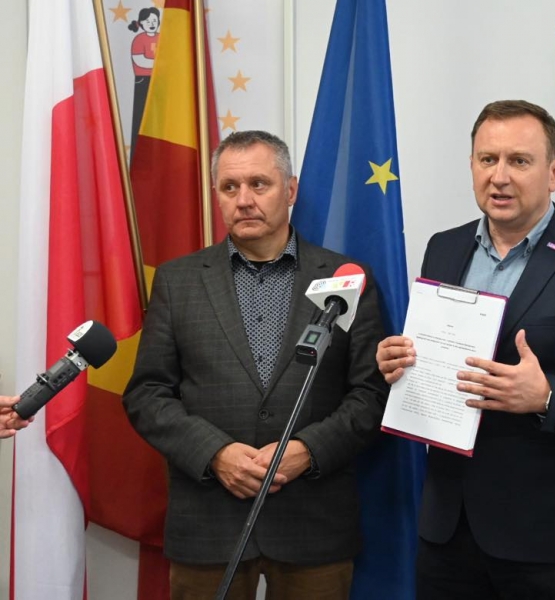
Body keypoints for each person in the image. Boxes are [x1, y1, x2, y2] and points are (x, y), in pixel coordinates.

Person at [376, 100, 555, 599]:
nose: (500, 177)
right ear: (471, 166)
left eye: (519, 161)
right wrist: (400, 363)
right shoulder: (444, 247)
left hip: (546, 536)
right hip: (447, 529)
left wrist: (547, 397)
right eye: (488, 159)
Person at [123, 130, 388, 600]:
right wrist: (215, 454)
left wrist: (308, 450)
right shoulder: (178, 281)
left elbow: (371, 394)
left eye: (259, 184)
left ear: (291, 190)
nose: (243, 200)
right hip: (209, 523)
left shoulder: (348, 278)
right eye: (230, 187)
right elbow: (147, 394)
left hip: (313, 524)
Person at [127, 6, 160, 152]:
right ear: (141, 23)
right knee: (141, 120)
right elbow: (140, 61)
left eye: (154, 20)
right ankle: (139, 153)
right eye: (148, 21)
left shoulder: (163, 37)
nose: (151, 24)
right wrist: (162, 62)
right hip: (143, 82)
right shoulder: (139, 39)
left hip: (161, 82)